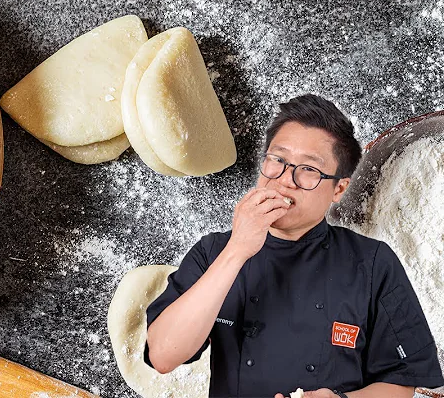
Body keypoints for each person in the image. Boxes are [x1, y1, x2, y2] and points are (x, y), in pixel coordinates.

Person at [145, 94, 444, 398]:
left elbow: (401, 384)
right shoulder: (215, 251)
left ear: (338, 189)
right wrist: (237, 250)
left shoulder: (372, 263)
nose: (286, 180)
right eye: (278, 160)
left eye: (309, 170)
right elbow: (163, 355)